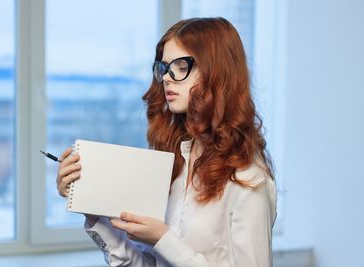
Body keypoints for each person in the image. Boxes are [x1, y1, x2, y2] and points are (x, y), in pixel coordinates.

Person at [56, 17, 277, 267]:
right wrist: (90, 204)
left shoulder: (248, 180)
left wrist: (163, 238)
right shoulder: (177, 161)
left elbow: (167, 247)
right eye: (164, 68)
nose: (168, 78)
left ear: (218, 72)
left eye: (182, 66)